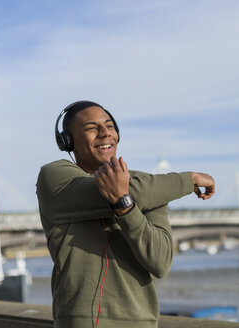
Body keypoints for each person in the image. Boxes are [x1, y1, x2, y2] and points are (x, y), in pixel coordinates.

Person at [36, 101, 215, 328]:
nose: (105, 133)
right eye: (91, 128)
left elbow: (160, 263)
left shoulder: (154, 188)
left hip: (142, 322)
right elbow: (135, 190)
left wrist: (126, 208)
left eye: (109, 126)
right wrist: (189, 180)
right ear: (67, 141)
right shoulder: (54, 177)